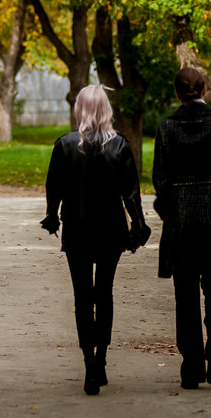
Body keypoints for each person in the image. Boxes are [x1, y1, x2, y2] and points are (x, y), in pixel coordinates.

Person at [41, 85, 150, 396]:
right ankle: (101, 357)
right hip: (111, 230)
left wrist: (52, 216)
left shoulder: (64, 144)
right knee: (104, 293)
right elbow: (131, 194)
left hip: (76, 227)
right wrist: (138, 227)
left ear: (80, 109)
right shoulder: (120, 146)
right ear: (106, 109)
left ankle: (89, 359)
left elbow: (54, 188)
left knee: (81, 296)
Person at [153, 67, 211, 390]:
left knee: (185, 292)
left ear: (178, 93)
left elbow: (160, 178)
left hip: (180, 214)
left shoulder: (166, 128)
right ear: (204, 90)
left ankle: (191, 364)